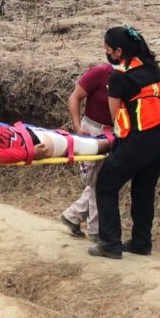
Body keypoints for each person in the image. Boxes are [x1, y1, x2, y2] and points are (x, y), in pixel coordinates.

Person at [89, 26, 160, 260]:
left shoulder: (118, 77)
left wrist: (116, 144)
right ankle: (141, 242)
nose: (106, 54)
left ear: (118, 52)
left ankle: (110, 243)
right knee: (144, 189)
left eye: (107, 50)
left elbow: (115, 115)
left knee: (106, 184)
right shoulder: (153, 68)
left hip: (140, 139)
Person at [61, 63, 113, 242]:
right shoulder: (100, 73)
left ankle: (72, 216)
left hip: (114, 133)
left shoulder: (129, 75)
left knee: (101, 180)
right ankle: (95, 230)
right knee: (97, 181)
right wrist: (77, 126)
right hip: (92, 131)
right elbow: (75, 97)